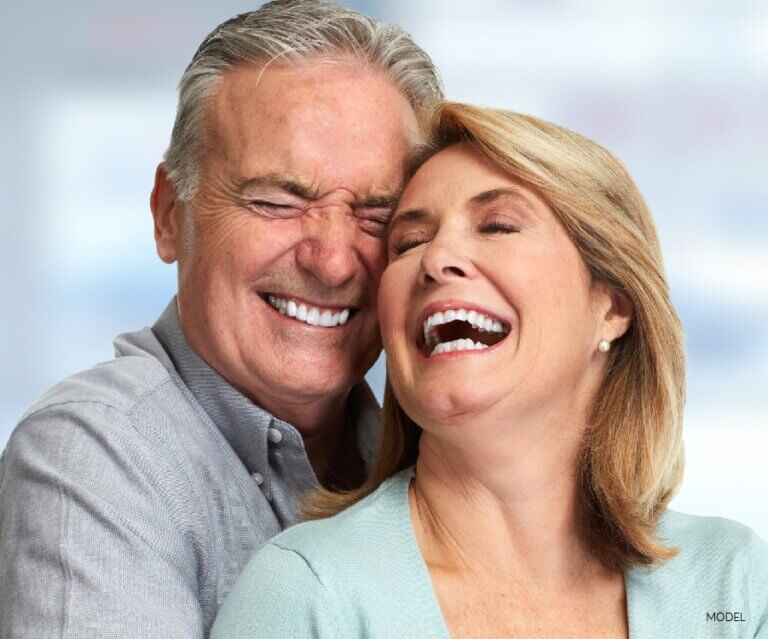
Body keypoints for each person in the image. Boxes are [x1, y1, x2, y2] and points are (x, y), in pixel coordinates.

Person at [212, 102, 768, 638]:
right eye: (408, 242)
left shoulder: (734, 587)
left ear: (614, 305)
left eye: (498, 225)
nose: (436, 259)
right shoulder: (305, 595)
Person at [0, 2, 441, 637]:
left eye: (377, 215)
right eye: (275, 201)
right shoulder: (93, 453)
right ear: (168, 216)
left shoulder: (427, 455)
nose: (334, 260)